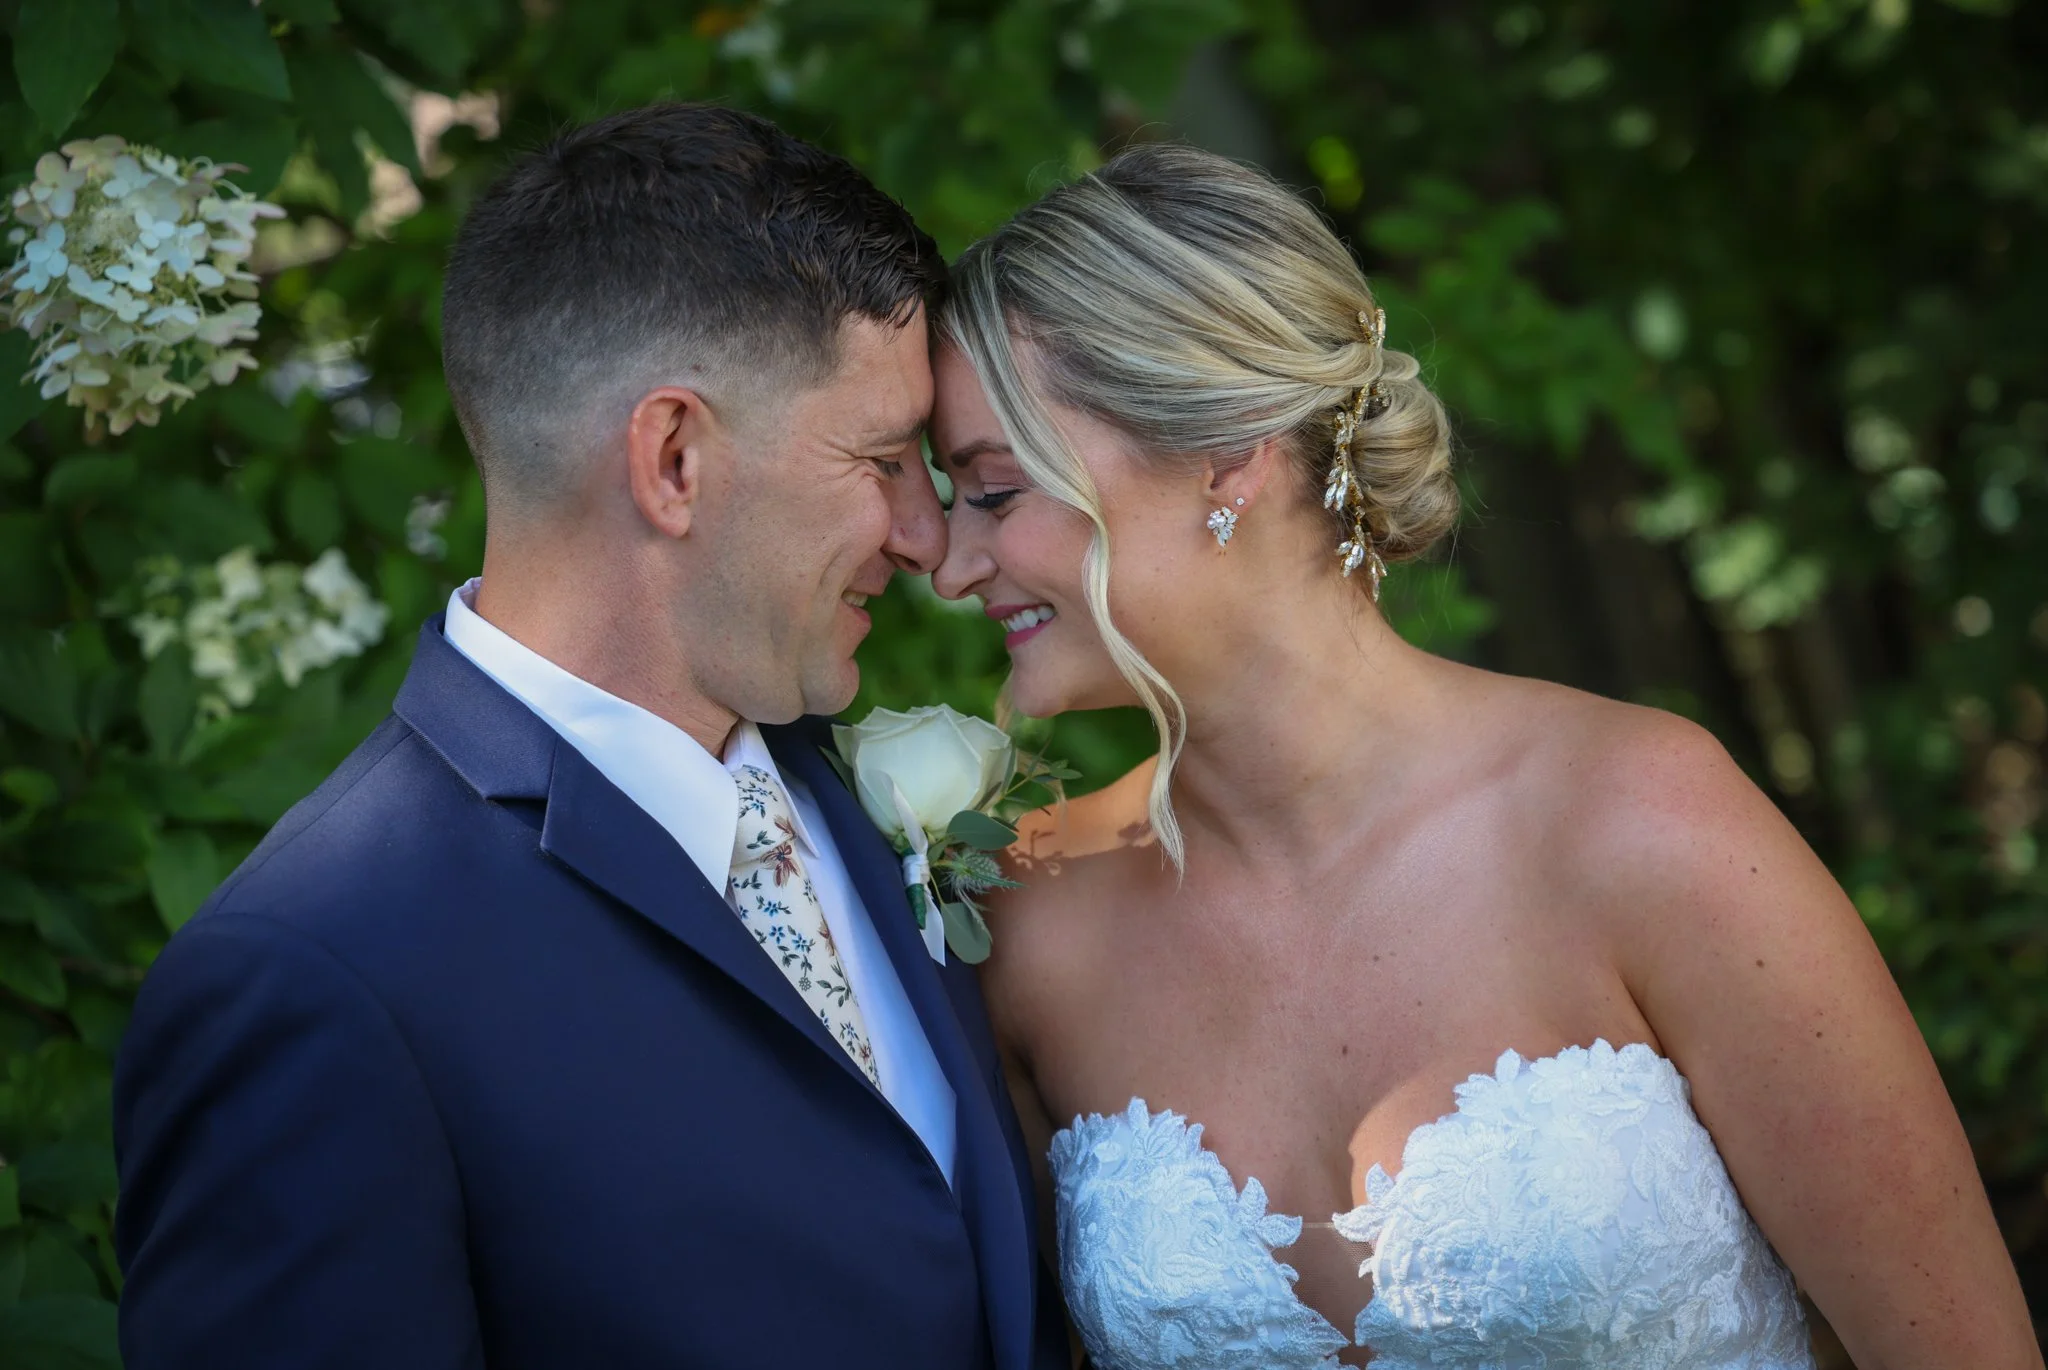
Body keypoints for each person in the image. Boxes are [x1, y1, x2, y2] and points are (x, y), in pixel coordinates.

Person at [928, 141, 2043, 1370]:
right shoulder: (1031, 920)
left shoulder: (1639, 821)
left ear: (1225, 450)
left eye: (990, 492)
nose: (949, 564)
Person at [114, 103, 1066, 1370]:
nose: (926, 538)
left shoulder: (863, 808)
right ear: (672, 457)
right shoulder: (316, 974)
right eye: (884, 459)